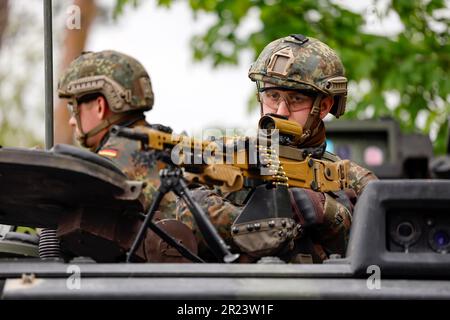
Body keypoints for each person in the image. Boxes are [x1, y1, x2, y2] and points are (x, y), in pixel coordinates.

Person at [177, 34, 378, 263]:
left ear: (323, 107)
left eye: (296, 99)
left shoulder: (352, 179)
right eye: (272, 96)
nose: (280, 111)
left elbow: (379, 248)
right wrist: (267, 221)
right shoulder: (226, 154)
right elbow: (186, 216)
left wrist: (328, 212)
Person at [57, 50, 176, 216]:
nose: (71, 121)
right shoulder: (159, 142)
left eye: (74, 107)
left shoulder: (112, 161)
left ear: (100, 107)